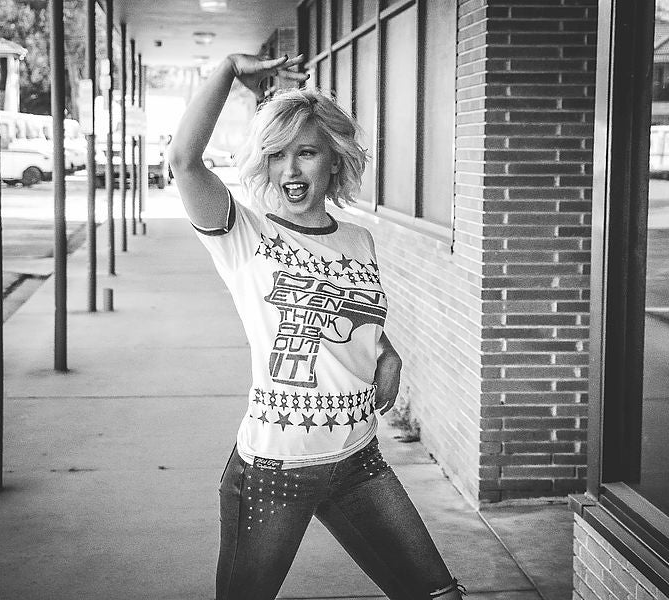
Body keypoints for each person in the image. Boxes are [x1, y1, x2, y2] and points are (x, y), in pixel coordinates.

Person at [168, 53, 466, 600]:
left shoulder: (358, 240)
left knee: (438, 594)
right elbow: (185, 161)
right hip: (275, 470)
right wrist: (229, 71)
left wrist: (389, 352)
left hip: (358, 458)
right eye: (277, 155)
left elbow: (352, 316)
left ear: (334, 159)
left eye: (305, 153)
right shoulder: (243, 236)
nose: (290, 171)